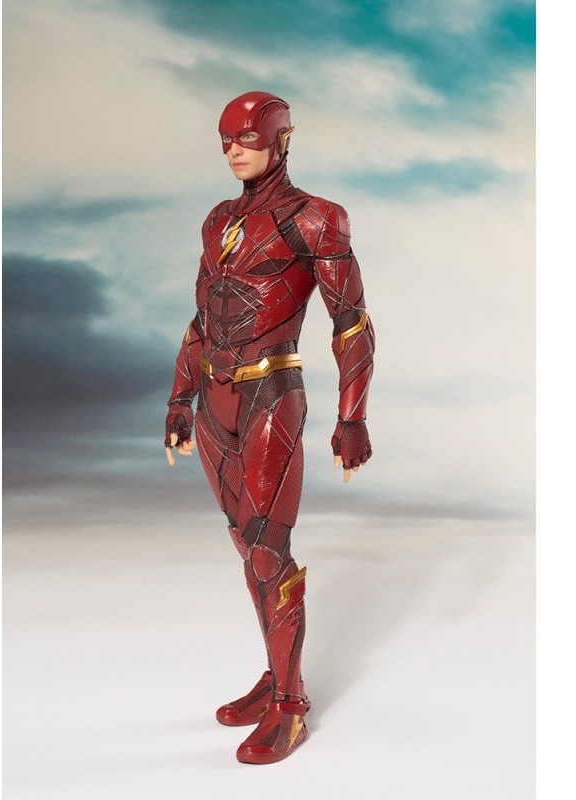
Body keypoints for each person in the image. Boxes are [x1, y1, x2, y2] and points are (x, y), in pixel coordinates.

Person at [164, 91, 375, 764]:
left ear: (281, 139)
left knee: (267, 549)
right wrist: (179, 398)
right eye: (226, 139)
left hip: (269, 394)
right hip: (214, 399)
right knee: (245, 545)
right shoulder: (218, 220)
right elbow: (202, 317)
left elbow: (352, 322)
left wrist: (352, 417)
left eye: (248, 138)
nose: (234, 150)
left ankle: (291, 705)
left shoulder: (316, 218)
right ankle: (275, 674)